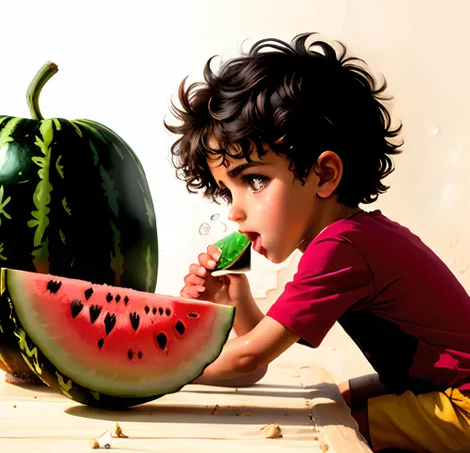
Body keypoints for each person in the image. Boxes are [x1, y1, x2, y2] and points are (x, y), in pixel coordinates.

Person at [164, 32, 470, 452]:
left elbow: (251, 359)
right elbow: (256, 361)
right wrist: (237, 298)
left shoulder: (342, 249)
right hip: (436, 383)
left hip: (465, 403)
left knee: (342, 431)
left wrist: (153, 367)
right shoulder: (353, 237)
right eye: (227, 190)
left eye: (254, 180)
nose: (234, 211)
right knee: (333, 401)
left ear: (324, 175)